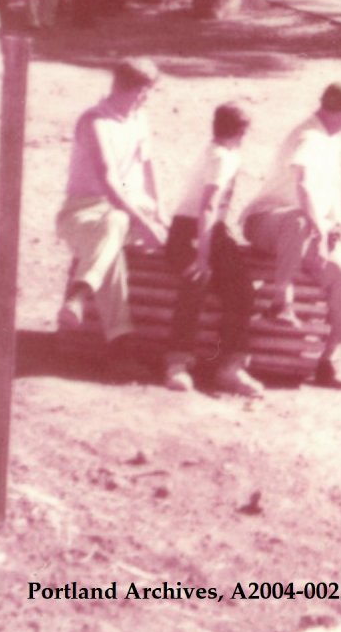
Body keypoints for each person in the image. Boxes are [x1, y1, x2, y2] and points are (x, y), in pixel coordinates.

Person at [241, 82, 341, 391]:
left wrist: (337, 224)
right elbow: (303, 186)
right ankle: (281, 300)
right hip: (266, 221)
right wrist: (319, 228)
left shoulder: (328, 140)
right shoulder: (309, 136)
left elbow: (328, 194)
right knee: (299, 219)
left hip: (303, 232)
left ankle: (327, 360)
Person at [56, 57, 167, 370]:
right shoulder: (94, 121)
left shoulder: (138, 118)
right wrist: (141, 220)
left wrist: (159, 210)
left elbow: (148, 165)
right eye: (147, 92)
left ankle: (81, 297)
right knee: (114, 227)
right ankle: (120, 347)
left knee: (115, 226)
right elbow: (108, 179)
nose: (147, 99)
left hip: (127, 212)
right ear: (134, 89)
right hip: (84, 211)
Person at [163, 103, 262, 397]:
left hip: (213, 231)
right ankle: (177, 363)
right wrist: (202, 256)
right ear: (242, 132)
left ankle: (230, 367)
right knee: (197, 278)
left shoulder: (226, 153)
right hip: (188, 231)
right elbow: (206, 206)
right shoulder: (219, 157)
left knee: (242, 288)